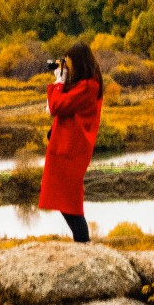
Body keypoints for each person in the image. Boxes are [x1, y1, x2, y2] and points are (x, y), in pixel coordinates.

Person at [39, 42, 103, 242]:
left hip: (71, 150)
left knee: (70, 203)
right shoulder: (85, 84)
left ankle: (83, 243)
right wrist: (63, 80)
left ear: (79, 63)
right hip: (67, 149)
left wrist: (59, 82)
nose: (66, 66)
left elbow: (57, 105)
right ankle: (82, 242)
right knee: (67, 201)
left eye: (69, 63)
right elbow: (59, 105)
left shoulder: (88, 87)